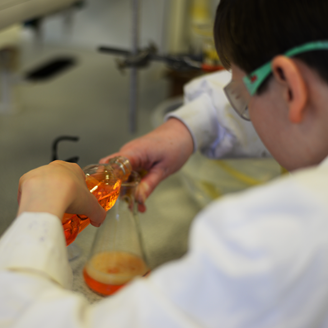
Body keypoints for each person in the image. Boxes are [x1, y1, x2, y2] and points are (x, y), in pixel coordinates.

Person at [1, 0, 328, 327]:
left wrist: (37, 212)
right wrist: (186, 128)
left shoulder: (280, 237)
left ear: (291, 87)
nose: (247, 114)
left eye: (241, 99)